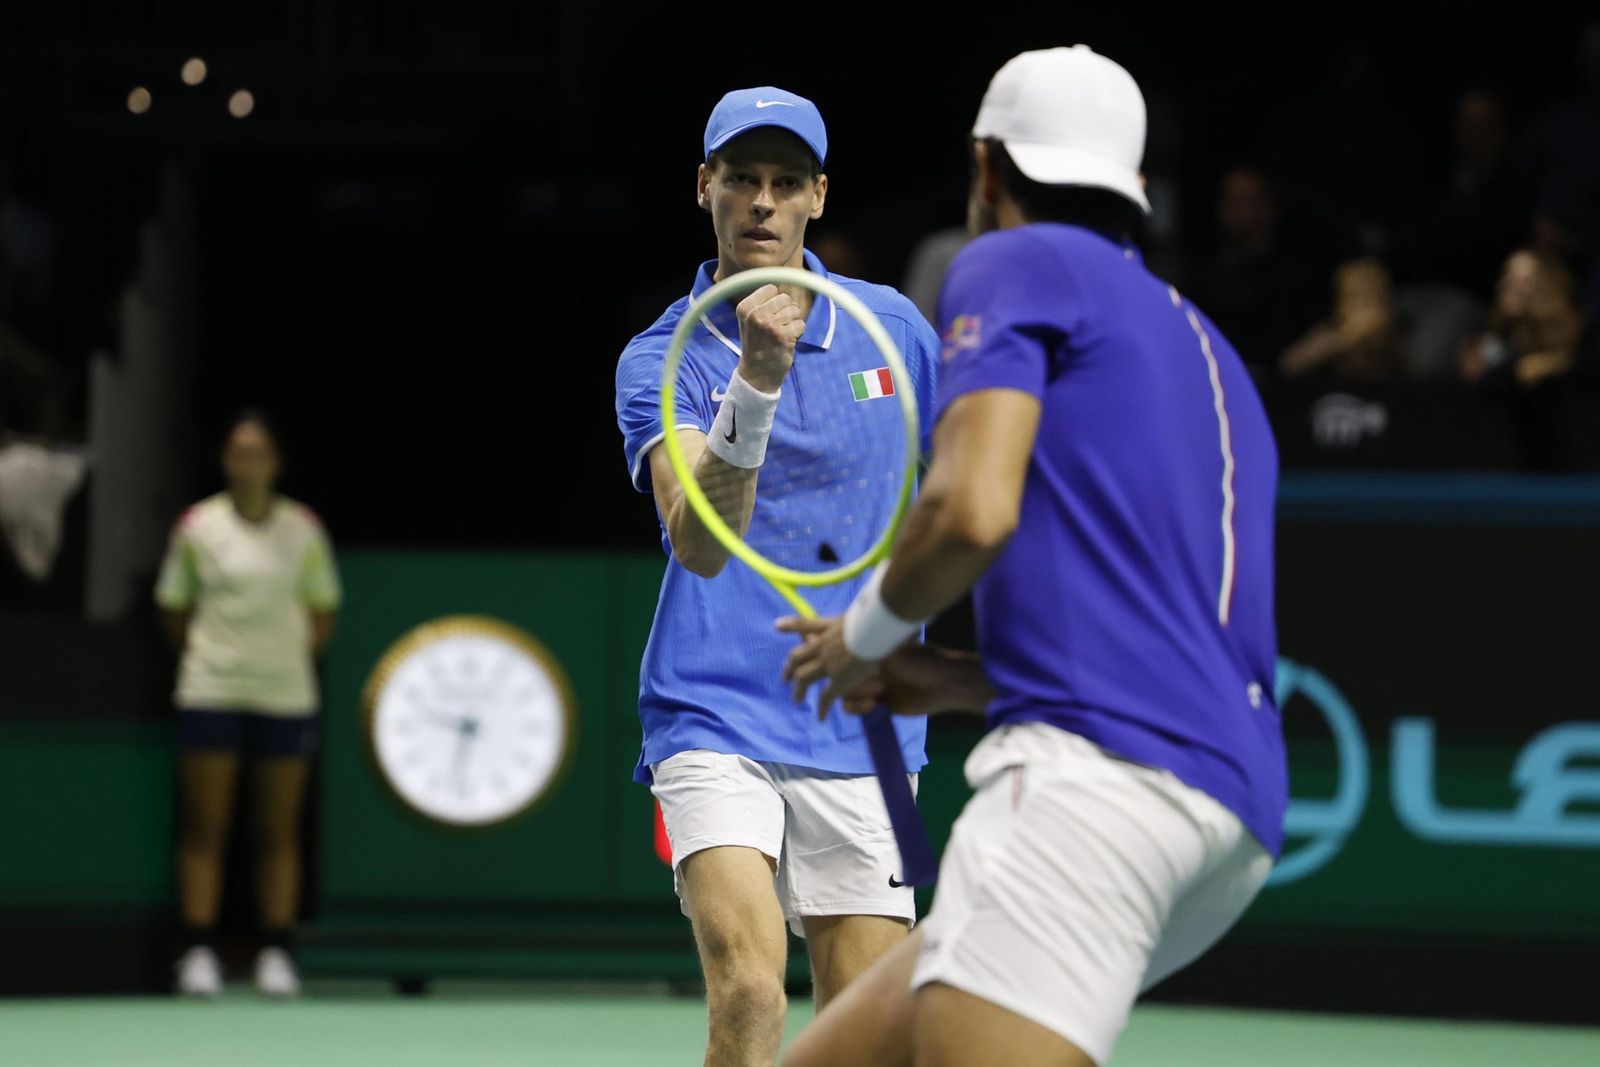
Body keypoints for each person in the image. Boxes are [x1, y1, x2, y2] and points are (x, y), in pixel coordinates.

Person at [779, 46, 1286, 1067]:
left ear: (985, 167)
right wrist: (961, 678)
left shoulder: (1016, 260)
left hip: (1090, 792)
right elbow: (1159, 636)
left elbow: (969, 508)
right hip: (1232, 809)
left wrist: (864, 635)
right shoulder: (1207, 350)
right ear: (1133, 188)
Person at [612, 87, 940, 1066]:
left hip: (873, 722)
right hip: (711, 710)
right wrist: (754, 379)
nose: (761, 200)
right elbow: (700, 542)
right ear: (702, 187)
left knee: (870, 1021)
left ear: (818, 197)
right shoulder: (658, 357)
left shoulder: (894, 334)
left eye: (784, 181)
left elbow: (979, 481)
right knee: (751, 987)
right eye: (740, 178)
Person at [156, 411, 341, 998]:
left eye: (258, 452)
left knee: (279, 832)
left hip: (285, 695)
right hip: (210, 690)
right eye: (238, 452)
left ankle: (277, 953)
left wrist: (277, 660)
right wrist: (219, 658)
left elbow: (322, 613)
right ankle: (199, 952)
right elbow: (173, 608)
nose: (248, 463)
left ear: (274, 464)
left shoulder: (304, 530)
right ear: (226, 461)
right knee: (205, 828)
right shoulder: (196, 527)